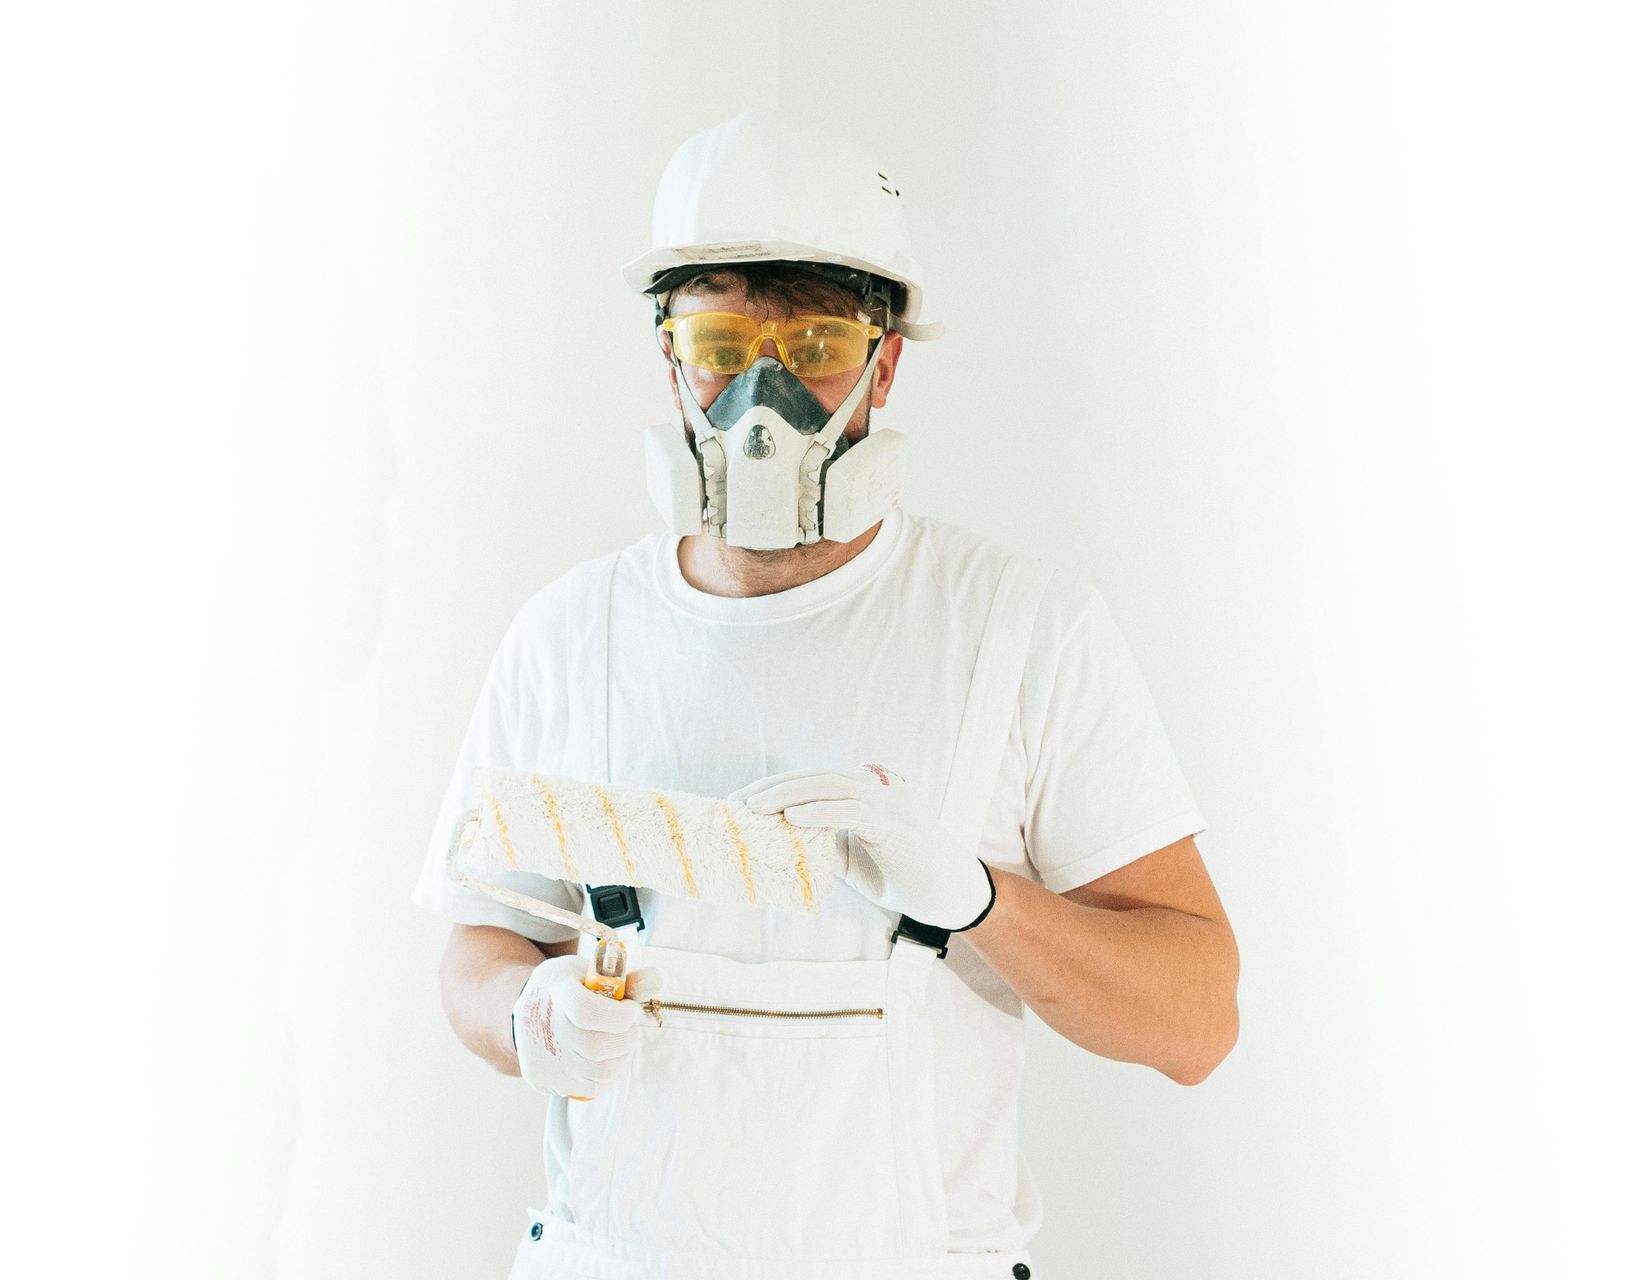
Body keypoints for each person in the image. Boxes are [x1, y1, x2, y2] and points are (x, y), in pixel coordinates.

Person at [411, 108, 1240, 1280]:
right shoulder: (568, 636)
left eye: (813, 348)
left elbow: (1198, 1019)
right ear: (669, 354)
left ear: (885, 361)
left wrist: (980, 898)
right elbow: (477, 945)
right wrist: (526, 1012)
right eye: (719, 342)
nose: (763, 396)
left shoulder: (1018, 632)